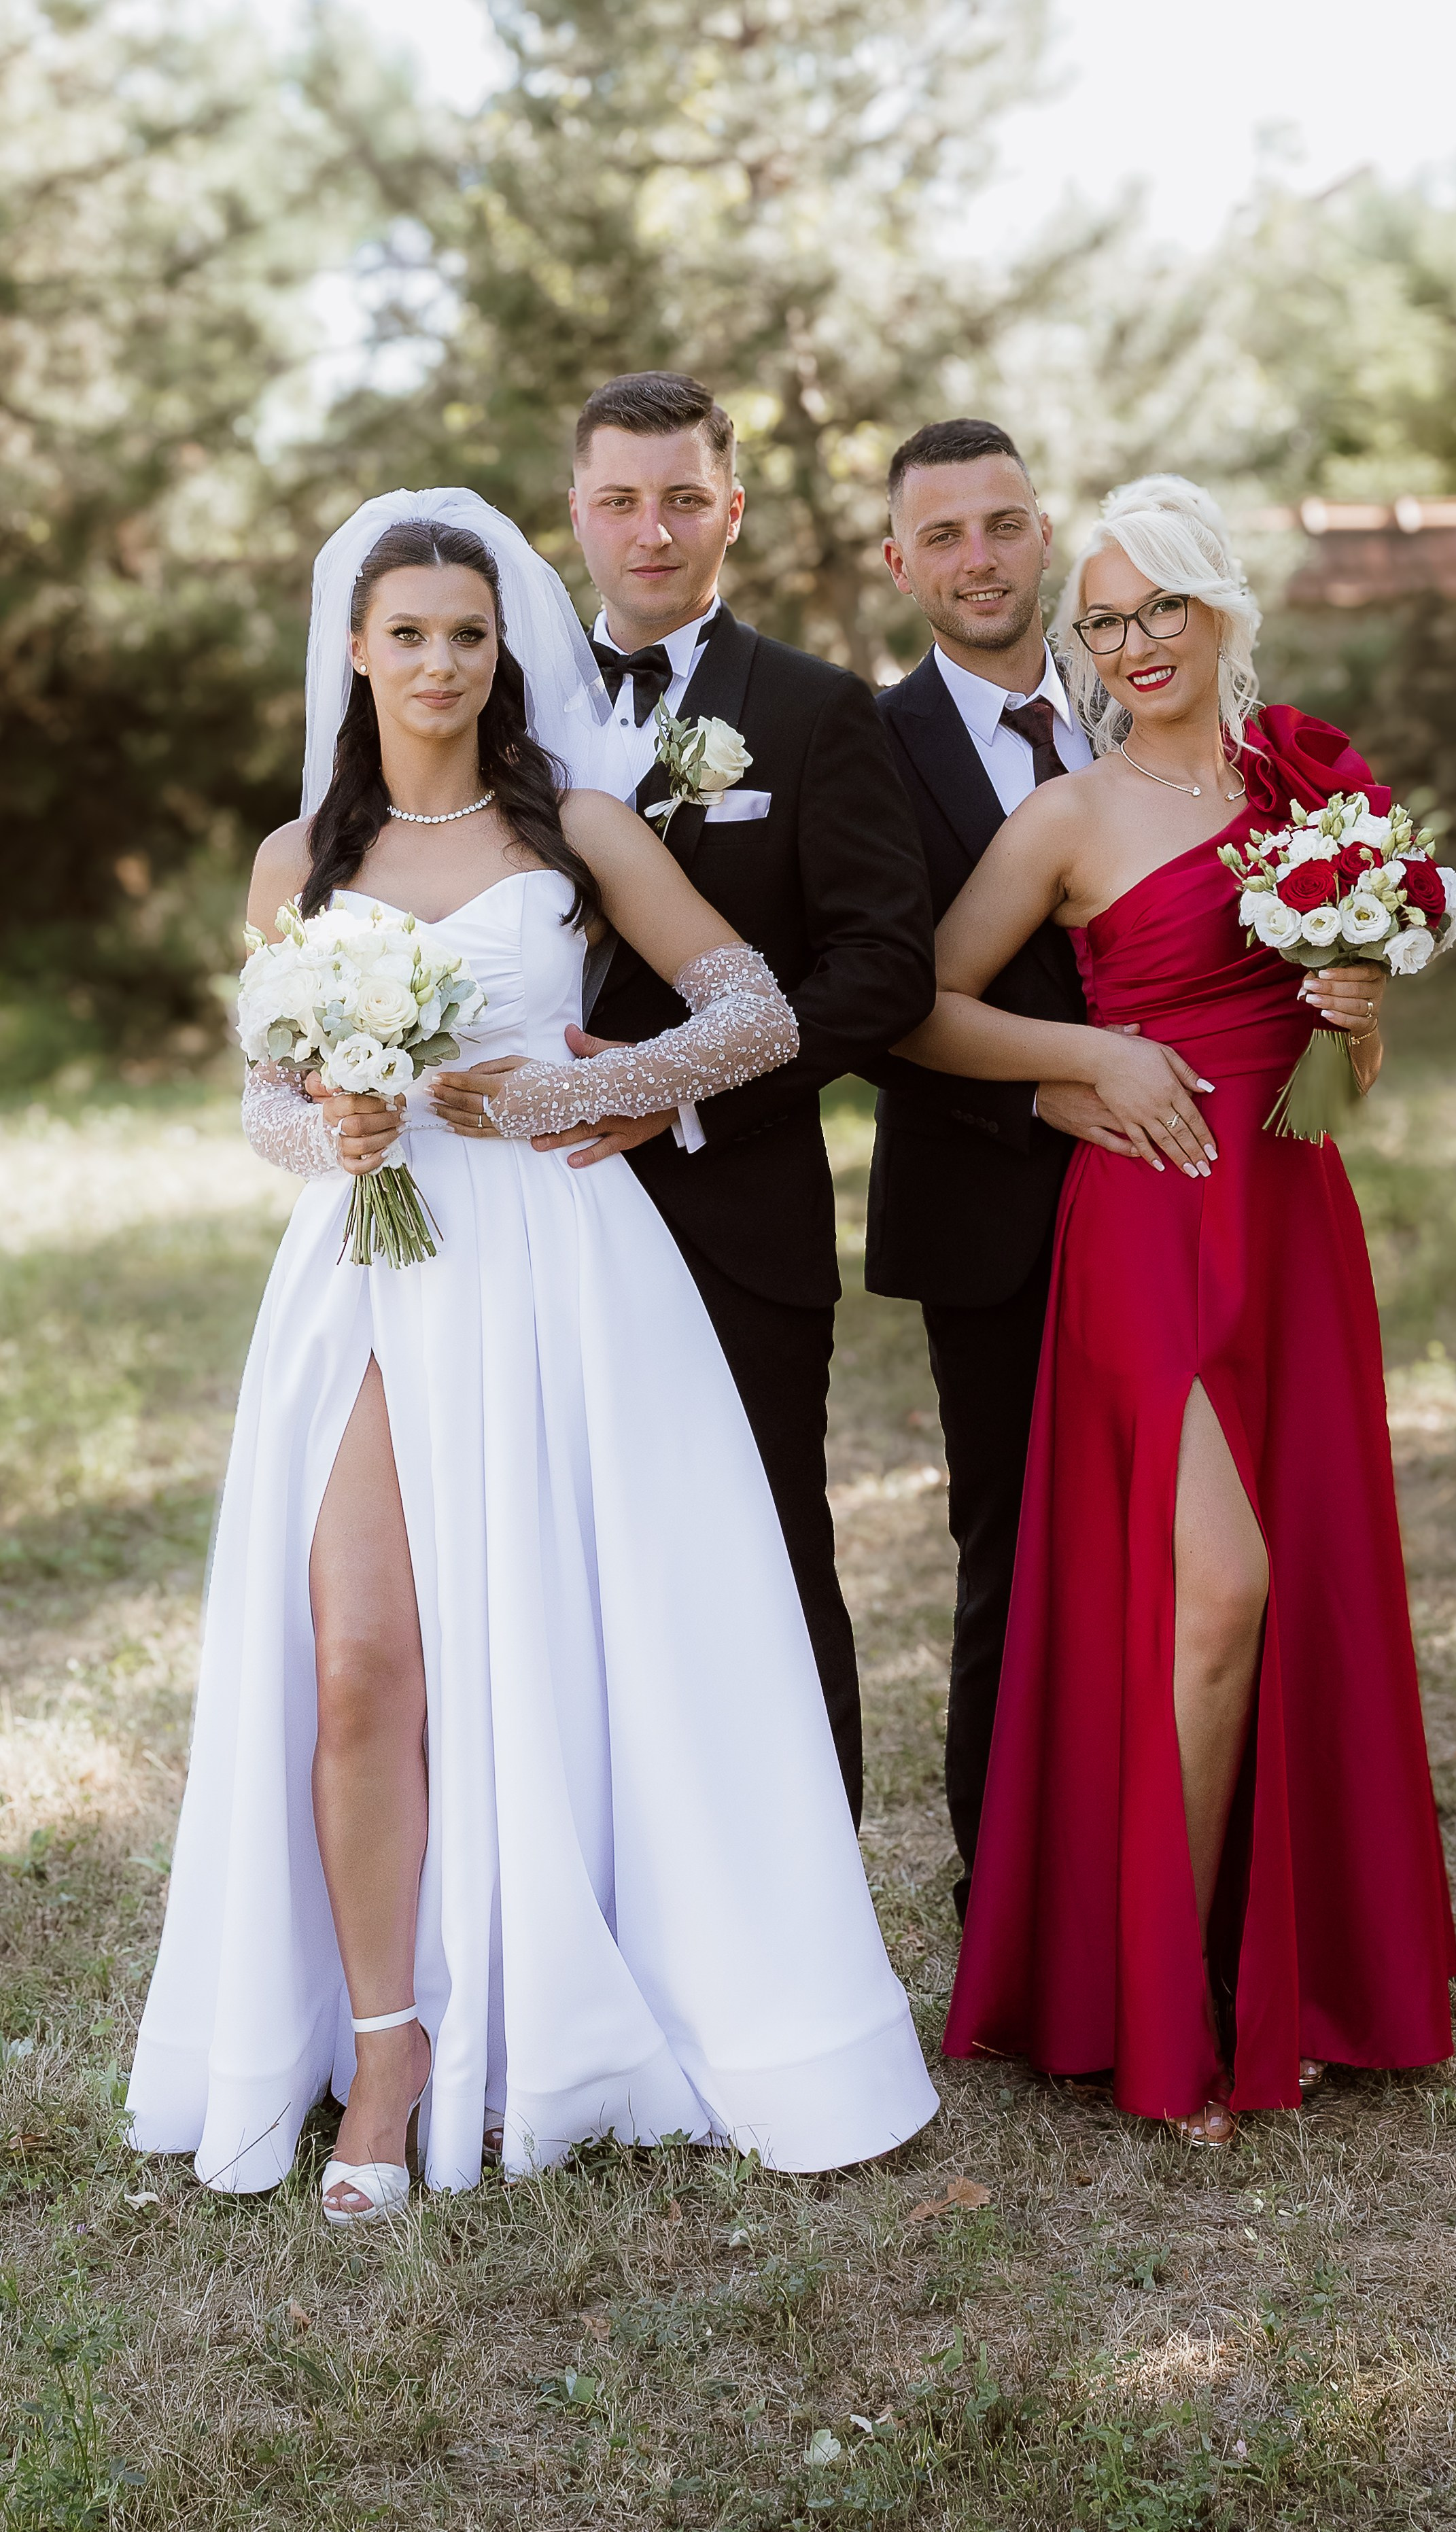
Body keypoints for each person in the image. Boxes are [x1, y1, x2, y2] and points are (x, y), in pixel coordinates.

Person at [124, 490, 938, 2219]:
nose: (437, 661)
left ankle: (551, 1996)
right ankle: (387, 2041)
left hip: (558, 1264)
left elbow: (760, 1015)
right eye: (406, 632)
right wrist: (320, 1125)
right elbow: (261, 1099)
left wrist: (587, 1090)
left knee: (555, 1643)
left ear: (507, 655)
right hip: (365, 1265)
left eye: (468, 635)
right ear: (353, 649)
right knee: (357, 1659)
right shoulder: (299, 864)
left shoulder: (572, 824)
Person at [899, 474, 1456, 2143]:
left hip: (1289, 1215)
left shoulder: (1308, 790)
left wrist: (1357, 1008)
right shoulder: (1066, 819)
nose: (1137, 642)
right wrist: (1084, 1061)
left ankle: (1263, 1975)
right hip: (1142, 1218)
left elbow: (1347, 1051)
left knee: (1304, 1591)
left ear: (1221, 611)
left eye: (1164, 609)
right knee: (1219, 1590)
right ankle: (1166, 2004)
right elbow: (923, 1005)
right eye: (1108, 618)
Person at [555, 371, 934, 1824]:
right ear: (577, 509)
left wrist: (681, 1095)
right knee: (562, 1572)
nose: (652, 533)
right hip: (531, 1208)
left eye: (684, 500)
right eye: (620, 500)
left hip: (739, 1209)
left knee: (767, 1553)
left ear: (734, 509)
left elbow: (880, 971)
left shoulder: (818, 711)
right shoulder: (495, 698)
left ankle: (806, 1916)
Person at [869, 419, 1210, 1924]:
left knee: (1197, 1537)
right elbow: (863, 1000)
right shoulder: (859, 748)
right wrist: (1058, 1086)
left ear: (1046, 533)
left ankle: (1186, 1849)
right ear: (899, 563)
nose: (979, 559)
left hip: (1182, 1196)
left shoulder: (1141, 704)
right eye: (942, 536)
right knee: (1015, 1550)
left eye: (1003, 525)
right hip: (991, 1199)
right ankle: (1012, 1893)